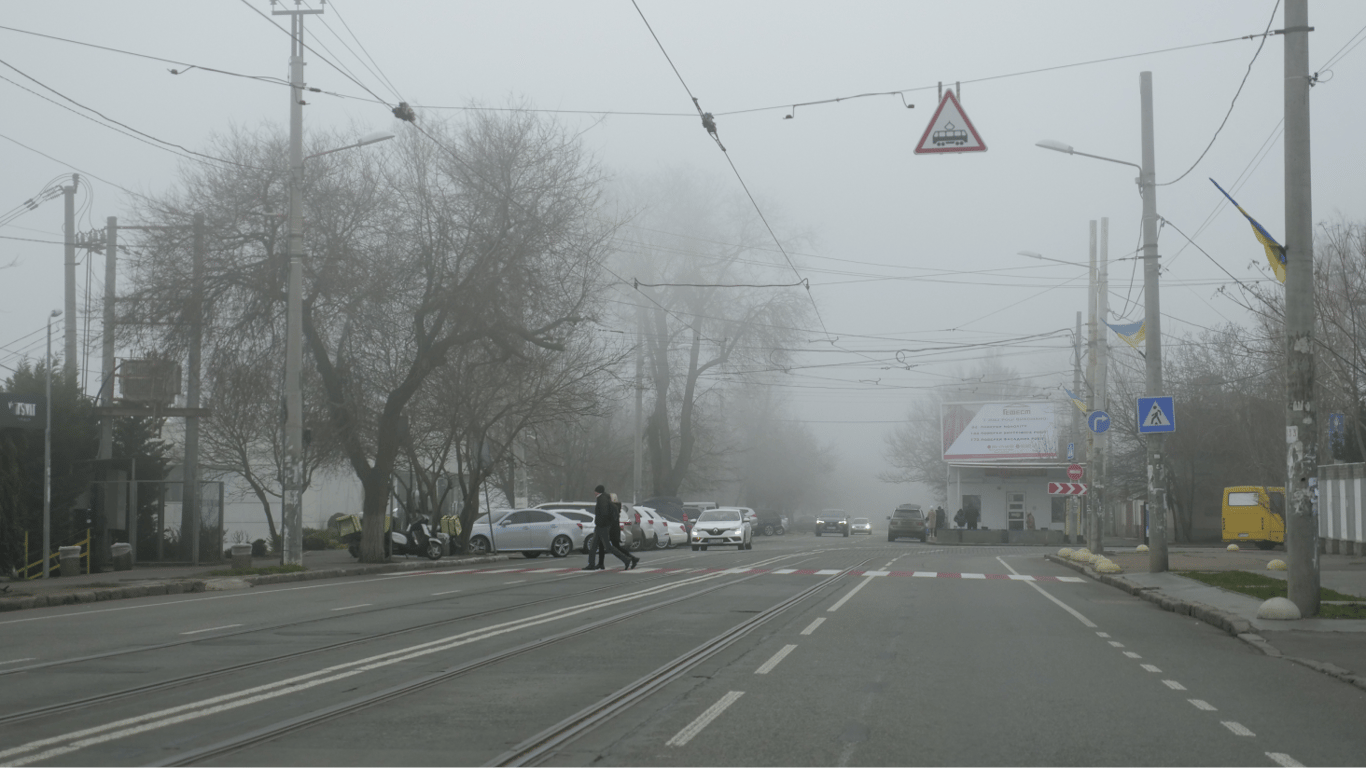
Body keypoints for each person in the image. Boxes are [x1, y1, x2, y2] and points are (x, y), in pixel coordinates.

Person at [585, 485, 636, 571]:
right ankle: (591, 564)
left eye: (595, 491)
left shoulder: (601, 499)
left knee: (607, 547)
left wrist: (600, 523)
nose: (594, 493)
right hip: (602, 526)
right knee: (593, 546)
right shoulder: (606, 497)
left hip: (602, 527)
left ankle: (626, 559)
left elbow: (604, 513)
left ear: (598, 491)